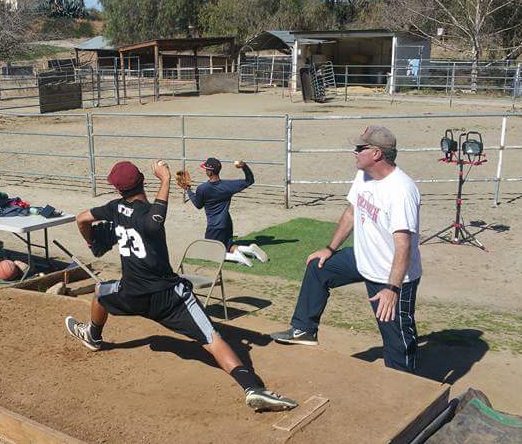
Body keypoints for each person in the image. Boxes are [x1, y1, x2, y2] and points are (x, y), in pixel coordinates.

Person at [66, 159, 298, 412]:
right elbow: (154, 221)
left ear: (117, 189)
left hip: (132, 293)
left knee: (100, 292)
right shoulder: (148, 214)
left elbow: (81, 219)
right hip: (169, 297)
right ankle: (252, 388)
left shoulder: (114, 208)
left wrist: (92, 243)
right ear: (143, 180)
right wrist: (165, 179)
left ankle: (93, 335)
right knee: (212, 338)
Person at [270, 126, 422, 373]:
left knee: (397, 340)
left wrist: (392, 289)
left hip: (391, 275)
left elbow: (403, 245)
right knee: (318, 268)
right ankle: (304, 330)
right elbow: (351, 213)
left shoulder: (401, 190)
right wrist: (330, 249)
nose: (355, 152)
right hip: (362, 259)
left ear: (376, 153)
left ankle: (407, 385)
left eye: (360, 148)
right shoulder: (364, 175)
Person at [179, 157, 267, 267]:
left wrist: (188, 190)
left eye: (206, 169)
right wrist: (244, 166)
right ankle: (249, 249)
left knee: (211, 253)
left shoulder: (202, 188)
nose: (205, 171)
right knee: (228, 246)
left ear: (210, 172)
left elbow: (198, 205)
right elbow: (250, 180)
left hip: (214, 226)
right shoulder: (228, 186)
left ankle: (239, 258)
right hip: (227, 223)